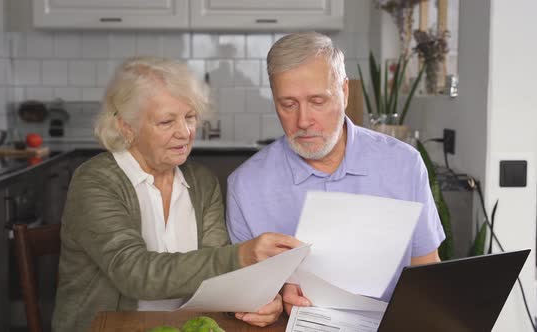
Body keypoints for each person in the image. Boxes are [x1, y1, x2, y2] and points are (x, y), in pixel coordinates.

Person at [52, 56, 301, 332]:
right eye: (166, 121)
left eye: (190, 117)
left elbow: (217, 274)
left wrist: (252, 300)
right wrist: (239, 255)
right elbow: (134, 273)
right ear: (127, 127)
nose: (184, 132)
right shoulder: (95, 181)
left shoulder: (202, 182)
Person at [226, 32, 446, 314]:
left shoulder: (404, 165)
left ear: (344, 91)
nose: (303, 121)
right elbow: (246, 292)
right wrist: (276, 301)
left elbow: (427, 271)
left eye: (318, 101)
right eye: (288, 104)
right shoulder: (245, 185)